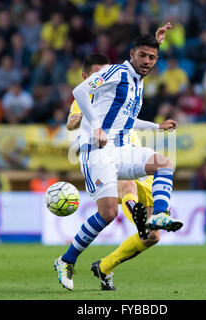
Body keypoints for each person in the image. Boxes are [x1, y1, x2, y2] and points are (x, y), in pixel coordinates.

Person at [55, 27, 183, 291]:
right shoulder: (117, 72)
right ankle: (66, 260)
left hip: (123, 147)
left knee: (165, 163)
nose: (148, 61)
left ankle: (159, 215)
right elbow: (79, 91)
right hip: (98, 150)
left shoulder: (137, 79)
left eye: (152, 58)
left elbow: (126, 120)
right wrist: (96, 126)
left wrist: (156, 127)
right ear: (131, 54)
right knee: (108, 213)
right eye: (143, 56)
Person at [66, 52, 160, 290]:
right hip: (109, 154)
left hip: (133, 151)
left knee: (153, 237)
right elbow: (71, 121)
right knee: (126, 189)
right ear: (87, 77)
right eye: (97, 74)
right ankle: (135, 216)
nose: (103, 77)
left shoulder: (122, 83)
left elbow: (143, 63)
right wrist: (81, 121)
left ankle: (105, 266)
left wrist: (157, 126)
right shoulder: (87, 95)